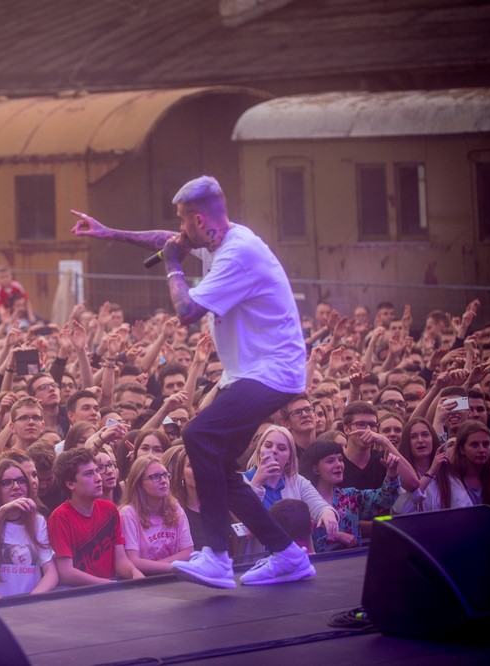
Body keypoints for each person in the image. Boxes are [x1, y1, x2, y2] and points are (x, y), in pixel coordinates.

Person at [73, 175, 313, 588]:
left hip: (272, 372)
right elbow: (165, 238)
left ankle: (218, 557)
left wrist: (172, 264)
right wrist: (109, 232)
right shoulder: (219, 239)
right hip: (251, 373)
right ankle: (288, 555)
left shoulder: (237, 255)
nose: (181, 232)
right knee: (221, 468)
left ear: (200, 221)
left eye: (185, 223)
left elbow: (186, 310)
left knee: (199, 434)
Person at [47, 448, 143, 586]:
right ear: (70, 484)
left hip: (109, 588)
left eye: (97, 471)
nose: (98, 478)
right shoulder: (60, 517)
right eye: (88, 474)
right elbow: (65, 573)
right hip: (78, 594)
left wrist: (134, 572)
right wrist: (106, 584)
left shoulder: (110, 509)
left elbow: (120, 560)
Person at [0, 459, 56, 598]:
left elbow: (51, 573)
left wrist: (32, 598)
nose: (16, 486)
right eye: (7, 482)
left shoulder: (37, 522)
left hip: (32, 605)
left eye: (21, 481)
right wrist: (3, 511)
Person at [301, 440, 401, 552]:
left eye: (340, 459)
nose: (338, 464)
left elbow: (385, 500)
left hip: (352, 564)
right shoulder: (303, 500)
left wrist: (392, 472)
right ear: (315, 468)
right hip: (318, 566)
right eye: (330, 461)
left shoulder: (350, 496)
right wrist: (336, 536)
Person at [118, 454, 194, 574]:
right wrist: (175, 567)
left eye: (165, 475)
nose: (164, 481)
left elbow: (188, 552)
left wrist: (160, 567)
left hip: (174, 580)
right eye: (155, 477)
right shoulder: (128, 514)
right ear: (139, 483)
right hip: (144, 584)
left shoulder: (175, 507)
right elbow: (133, 561)